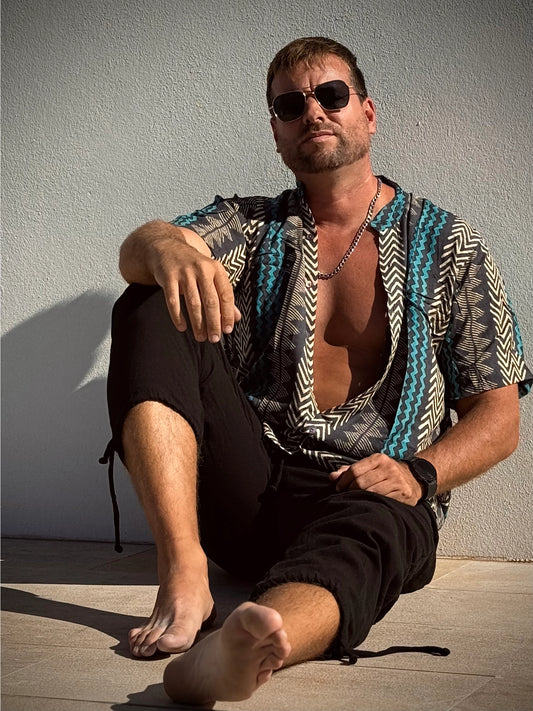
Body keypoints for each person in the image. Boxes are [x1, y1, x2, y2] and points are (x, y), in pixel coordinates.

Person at [104, 37, 531, 704]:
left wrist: (420, 473)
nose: (313, 112)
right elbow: (141, 248)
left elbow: (499, 419)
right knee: (150, 296)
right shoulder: (253, 226)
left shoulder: (451, 246)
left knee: (380, 525)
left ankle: (238, 653)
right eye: (290, 105)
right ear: (276, 132)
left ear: (367, 112)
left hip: (367, 492)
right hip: (250, 491)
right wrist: (165, 248)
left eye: (331, 95)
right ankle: (185, 575)